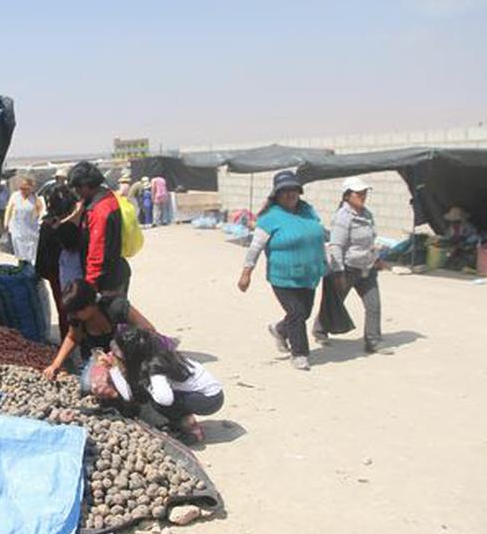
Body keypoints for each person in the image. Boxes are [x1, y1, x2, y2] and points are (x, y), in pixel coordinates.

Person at [237, 170, 326, 371]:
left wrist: (326, 262)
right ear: (276, 194)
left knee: (303, 313)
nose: (290, 194)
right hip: (283, 277)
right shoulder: (270, 218)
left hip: (309, 274)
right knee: (296, 313)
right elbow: (255, 248)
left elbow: (318, 237)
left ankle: (279, 329)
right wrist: (246, 274)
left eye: (293, 190)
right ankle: (300, 354)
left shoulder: (307, 211)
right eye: (284, 191)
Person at [313, 177, 392, 355]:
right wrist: (339, 271)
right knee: (335, 302)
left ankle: (373, 341)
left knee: (374, 305)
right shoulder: (343, 217)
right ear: (347, 196)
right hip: (348, 269)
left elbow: (370, 241)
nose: (363, 197)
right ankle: (319, 330)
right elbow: (336, 246)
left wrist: (376, 258)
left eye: (364, 193)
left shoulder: (367, 214)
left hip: (367, 268)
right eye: (359, 193)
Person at [108, 328, 224, 442]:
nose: (113, 353)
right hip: (207, 392)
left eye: (118, 353)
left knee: (158, 403)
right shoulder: (159, 354)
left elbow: (164, 399)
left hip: (210, 399)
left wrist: (114, 369)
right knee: (153, 394)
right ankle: (179, 421)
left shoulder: (156, 369)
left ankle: (193, 430)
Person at [43, 279, 156, 379]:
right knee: (88, 385)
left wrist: (120, 354)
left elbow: (148, 330)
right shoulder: (76, 318)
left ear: (90, 305)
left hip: (129, 356)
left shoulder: (117, 307)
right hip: (99, 361)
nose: (73, 315)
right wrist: (56, 364)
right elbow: (72, 338)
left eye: (77, 311)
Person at [68, 161, 131, 296]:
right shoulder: (107, 197)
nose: (76, 192)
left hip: (106, 280)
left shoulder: (99, 210)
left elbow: (98, 252)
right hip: (116, 271)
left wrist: (90, 285)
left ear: (86, 185)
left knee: (108, 315)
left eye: (77, 188)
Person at [35, 184, 80, 339]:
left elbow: (41, 253)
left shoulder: (48, 224)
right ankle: (72, 341)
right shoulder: (73, 221)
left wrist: (42, 271)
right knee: (75, 308)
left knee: (65, 308)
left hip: (56, 273)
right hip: (71, 272)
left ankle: (68, 340)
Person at [4, 176, 44, 263]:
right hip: (17, 230)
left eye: (26, 189)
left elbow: (41, 213)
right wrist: (6, 223)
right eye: (21, 188)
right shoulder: (15, 196)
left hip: (31, 232)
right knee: (20, 255)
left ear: (31, 189)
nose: (23, 191)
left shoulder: (36, 199)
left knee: (31, 255)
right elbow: (9, 210)